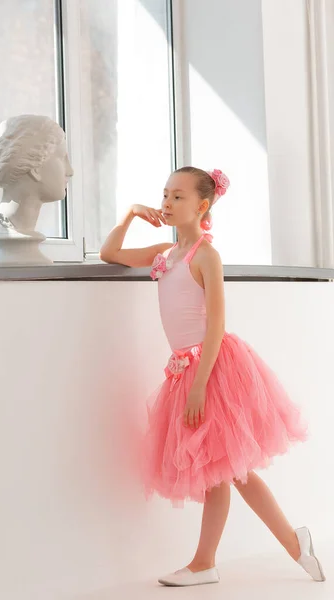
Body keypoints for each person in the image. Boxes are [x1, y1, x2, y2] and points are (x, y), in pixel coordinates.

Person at [99, 166, 326, 587]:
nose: (167, 202)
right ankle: (283, 545)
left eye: (178, 196)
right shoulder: (164, 253)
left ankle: (218, 560)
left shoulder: (205, 255)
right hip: (183, 370)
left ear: (202, 206)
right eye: (165, 194)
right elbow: (109, 254)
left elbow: (217, 325)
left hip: (213, 367)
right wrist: (129, 215)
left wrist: (200, 386)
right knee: (225, 471)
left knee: (227, 470)